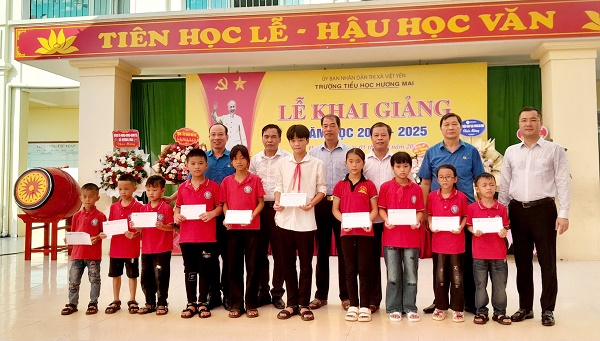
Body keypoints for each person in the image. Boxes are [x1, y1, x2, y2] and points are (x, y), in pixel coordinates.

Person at [499, 107, 570, 327]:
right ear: (518, 125)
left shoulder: (554, 150)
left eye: (533, 120)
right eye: (524, 120)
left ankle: (547, 309)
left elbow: (563, 181)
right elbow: (504, 183)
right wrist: (500, 214)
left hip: (544, 210)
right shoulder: (511, 151)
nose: (528, 123)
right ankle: (525, 307)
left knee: (547, 262)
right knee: (522, 262)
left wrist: (564, 213)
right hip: (517, 210)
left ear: (540, 123)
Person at [418, 113, 485, 314]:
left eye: (454, 124)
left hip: (465, 213)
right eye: (446, 124)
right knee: (440, 261)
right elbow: (426, 183)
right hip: (438, 214)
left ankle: (467, 302)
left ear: (460, 127)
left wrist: (482, 209)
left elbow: (479, 181)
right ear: (441, 128)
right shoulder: (432, 152)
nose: (450, 127)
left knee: (465, 260)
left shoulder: (471, 151)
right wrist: (424, 212)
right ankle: (440, 302)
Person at [274, 124, 326, 322]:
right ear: (289, 142)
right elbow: (278, 185)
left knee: (305, 264)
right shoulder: (282, 163)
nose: (297, 143)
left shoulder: (316, 164)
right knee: (287, 263)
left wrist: (311, 203)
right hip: (285, 219)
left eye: (300, 139)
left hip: (305, 220)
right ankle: (291, 303)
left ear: (307, 141)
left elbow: (321, 188)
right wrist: (278, 201)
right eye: (293, 140)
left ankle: (304, 304)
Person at [308, 114, 351, 311]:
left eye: (332, 125)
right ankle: (321, 295)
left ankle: (346, 296)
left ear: (339, 128)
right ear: (321, 129)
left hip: (343, 205)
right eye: (325, 126)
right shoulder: (314, 152)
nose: (329, 129)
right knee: (322, 251)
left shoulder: (349, 152)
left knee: (344, 252)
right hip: (321, 205)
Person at [174, 148, 222, 319]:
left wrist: (212, 214)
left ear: (206, 165)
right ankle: (190, 302)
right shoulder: (182, 188)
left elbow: (220, 206)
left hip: (207, 237)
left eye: (200, 163)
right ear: (186, 165)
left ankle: (203, 302)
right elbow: (178, 206)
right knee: (190, 270)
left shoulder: (213, 186)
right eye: (193, 163)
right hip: (187, 237)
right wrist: (176, 215)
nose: (197, 167)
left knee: (206, 269)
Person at [332, 148, 378, 322]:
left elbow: (374, 210)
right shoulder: (340, 185)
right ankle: (353, 304)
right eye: (351, 161)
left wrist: (369, 221)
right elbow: (335, 209)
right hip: (347, 232)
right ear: (346, 163)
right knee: (350, 269)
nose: (354, 164)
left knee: (364, 269)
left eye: (358, 161)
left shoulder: (369, 185)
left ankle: (365, 305)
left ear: (363, 164)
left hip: (366, 232)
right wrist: (343, 221)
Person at [378, 152, 424, 322]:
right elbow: (382, 208)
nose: (402, 170)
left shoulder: (416, 189)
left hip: (411, 239)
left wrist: (417, 221)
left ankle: (410, 307)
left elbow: (420, 211)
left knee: (411, 276)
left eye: (405, 166)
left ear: (410, 168)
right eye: (398, 166)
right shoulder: (385, 187)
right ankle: (393, 307)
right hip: (391, 239)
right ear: (392, 168)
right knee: (393, 276)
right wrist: (386, 219)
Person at [220, 144, 265, 318]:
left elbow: (260, 202)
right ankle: (236, 302)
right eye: (235, 158)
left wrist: (252, 217)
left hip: (252, 228)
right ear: (231, 162)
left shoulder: (254, 180)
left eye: (242, 157)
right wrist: (227, 219)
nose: (239, 161)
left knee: (253, 266)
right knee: (234, 266)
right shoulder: (227, 181)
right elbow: (224, 204)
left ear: (248, 159)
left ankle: (251, 303)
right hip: (233, 230)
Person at [249, 124, 290, 309]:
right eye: (266, 136)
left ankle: (277, 293)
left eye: (274, 136)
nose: (270, 140)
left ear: (280, 139)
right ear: (262, 138)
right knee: (260, 253)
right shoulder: (255, 160)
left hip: (280, 208)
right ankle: (262, 291)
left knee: (280, 253)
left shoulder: (287, 159)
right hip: (260, 208)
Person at [467, 173, 511, 325]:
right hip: (479, 254)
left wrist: (504, 232)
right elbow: (469, 225)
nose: (489, 188)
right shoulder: (472, 208)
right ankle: (481, 312)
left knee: (500, 286)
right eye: (484, 185)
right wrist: (473, 230)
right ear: (477, 189)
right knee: (480, 285)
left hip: (498, 254)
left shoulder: (501, 208)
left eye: (492, 185)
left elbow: (505, 227)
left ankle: (500, 312)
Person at [427, 164, 468, 322]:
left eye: (449, 177)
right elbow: (429, 215)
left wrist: (461, 227)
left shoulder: (461, 197)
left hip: (456, 244)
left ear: (455, 179)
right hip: (439, 244)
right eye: (442, 177)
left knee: (457, 277)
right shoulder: (432, 196)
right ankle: (441, 306)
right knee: (440, 276)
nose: (445, 180)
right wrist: (431, 225)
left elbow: (464, 216)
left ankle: (458, 308)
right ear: (437, 179)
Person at [61, 183, 107, 315]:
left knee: (94, 279)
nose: (87, 199)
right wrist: (68, 239)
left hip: (93, 255)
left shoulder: (100, 216)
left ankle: (93, 303)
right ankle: (72, 303)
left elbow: (104, 233)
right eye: (85, 197)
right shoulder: (76, 216)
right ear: (81, 198)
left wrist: (98, 237)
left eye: (91, 197)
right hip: (77, 255)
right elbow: (74, 232)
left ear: (97, 198)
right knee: (73, 280)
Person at [363, 121, 395, 312]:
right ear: (371, 138)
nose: (380, 138)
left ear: (389, 137)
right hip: (372, 217)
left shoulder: (397, 160)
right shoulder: (364, 161)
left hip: (395, 218)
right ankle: (374, 299)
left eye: (383, 135)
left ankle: (395, 301)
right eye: (376, 135)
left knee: (393, 260)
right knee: (371, 259)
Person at [133, 175, 174, 315]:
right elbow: (141, 230)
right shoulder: (143, 209)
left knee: (161, 277)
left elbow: (172, 227)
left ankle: (162, 303)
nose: (151, 193)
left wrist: (163, 227)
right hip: (146, 249)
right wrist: (136, 227)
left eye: (154, 189)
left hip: (162, 249)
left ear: (162, 191)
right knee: (146, 276)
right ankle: (149, 302)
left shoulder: (167, 208)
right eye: (148, 189)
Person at [205, 123, 236, 310]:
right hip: (206, 217)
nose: (217, 138)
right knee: (209, 257)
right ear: (209, 137)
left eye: (220, 134)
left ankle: (228, 293)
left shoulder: (234, 158)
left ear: (227, 136)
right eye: (213, 134)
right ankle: (212, 293)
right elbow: (190, 182)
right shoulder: (202, 159)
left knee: (228, 256)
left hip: (228, 216)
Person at [105, 174, 144, 315]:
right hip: (116, 248)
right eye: (120, 189)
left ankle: (132, 299)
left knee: (132, 275)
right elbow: (110, 226)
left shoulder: (139, 207)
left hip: (131, 248)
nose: (123, 192)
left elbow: (142, 229)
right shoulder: (114, 207)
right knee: (115, 274)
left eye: (126, 189)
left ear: (134, 189)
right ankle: (116, 299)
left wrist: (135, 234)